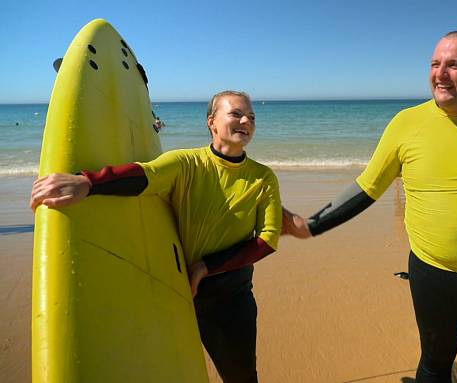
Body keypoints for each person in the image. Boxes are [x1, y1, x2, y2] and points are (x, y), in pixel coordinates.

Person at [284, 31, 457, 383]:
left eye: (455, 65)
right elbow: (367, 187)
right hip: (432, 275)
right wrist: (312, 225)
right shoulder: (406, 123)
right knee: (434, 366)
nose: (440, 73)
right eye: (435, 63)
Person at [31, 90, 281, 383]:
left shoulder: (263, 178)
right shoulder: (187, 163)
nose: (245, 121)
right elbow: (144, 175)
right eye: (236, 114)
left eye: (251, 117)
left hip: (230, 298)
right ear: (212, 122)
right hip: (171, 292)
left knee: (241, 378)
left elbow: (267, 240)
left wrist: (205, 266)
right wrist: (87, 182)